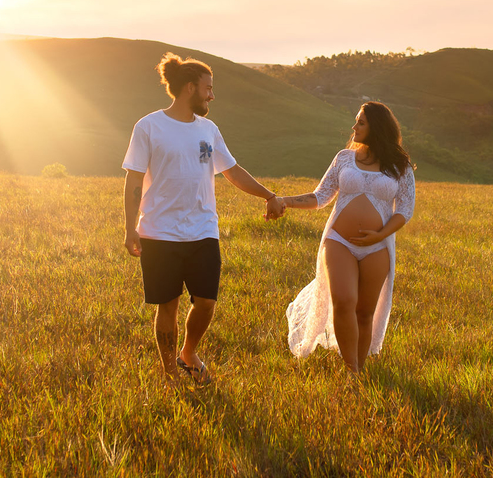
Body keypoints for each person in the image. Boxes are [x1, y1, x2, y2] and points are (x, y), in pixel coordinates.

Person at [122, 53, 285, 385]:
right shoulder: (149, 126)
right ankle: (170, 373)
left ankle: (189, 351)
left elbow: (232, 171)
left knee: (207, 302)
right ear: (189, 88)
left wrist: (268, 196)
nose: (212, 96)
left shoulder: (208, 130)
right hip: (158, 231)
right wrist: (129, 228)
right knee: (167, 307)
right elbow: (134, 180)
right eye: (208, 89)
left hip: (202, 230)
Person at [280, 101, 415, 373]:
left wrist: (379, 234)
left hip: (378, 247)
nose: (354, 127)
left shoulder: (400, 166)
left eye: (361, 122)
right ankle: (350, 367)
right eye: (356, 121)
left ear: (376, 127)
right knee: (343, 301)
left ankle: (358, 370)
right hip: (339, 241)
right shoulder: (344, 158)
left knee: (364, 313)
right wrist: (284, 201)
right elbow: (320, 196)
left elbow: (405, 210)